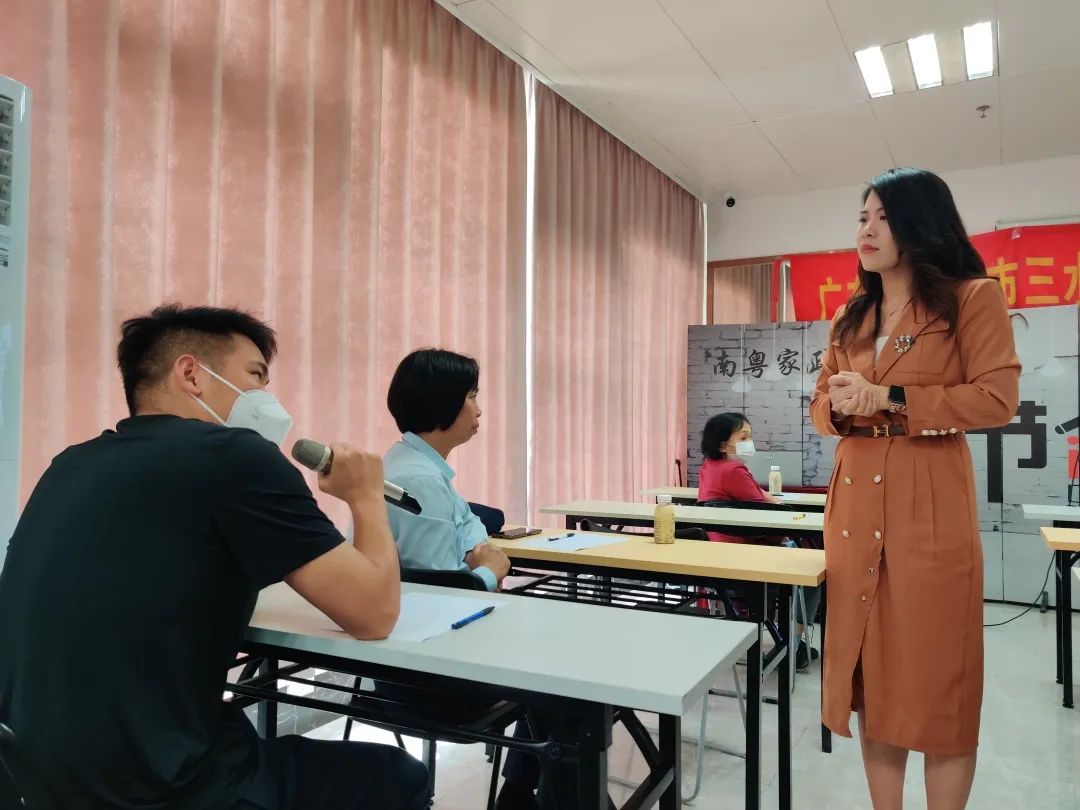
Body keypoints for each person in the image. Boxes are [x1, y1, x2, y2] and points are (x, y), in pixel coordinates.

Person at [0, 305, 427, 810]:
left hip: (35, 779)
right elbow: (374, 613)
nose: (268, 398)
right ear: (191, 374)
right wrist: (366, 496)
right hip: (161, 788)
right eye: (256, 376)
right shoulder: (235, 455)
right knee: (398, 776)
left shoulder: (70, 463)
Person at [810, 168, 1020, 810]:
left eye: (883, 216)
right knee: (871, 684)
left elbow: (996, 398)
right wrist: (841, 405)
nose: (867, 229)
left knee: (936, 686)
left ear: (920, 223)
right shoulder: (850, 316)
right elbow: (819, 404)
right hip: (854, 507)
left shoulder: (971, 298)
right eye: (862, 217)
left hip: (927, 506)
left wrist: (891, 397)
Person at [697, 412, 821, 670]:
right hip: (746, 551)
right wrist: (776, 504)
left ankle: (787, 640)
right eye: (743, 437)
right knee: (814, 567)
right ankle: (792, 644)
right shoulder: (735, 469)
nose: (750, 442)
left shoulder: (710, 466)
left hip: (719, 550)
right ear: (724, 445)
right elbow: (766, 511)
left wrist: (767, 498)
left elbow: (757, 495)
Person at [383, 349, 511, 591]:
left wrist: (473, 552)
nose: (479, 410)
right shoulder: (420, 479)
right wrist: (489, 571)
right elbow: (443, 592)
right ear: (445, 403)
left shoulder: (411, 461)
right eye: (472, 397)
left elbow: (469, 518)